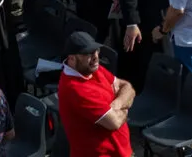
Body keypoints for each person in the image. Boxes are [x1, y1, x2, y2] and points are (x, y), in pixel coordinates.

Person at [58, 28, 136, 157]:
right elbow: (115, 122)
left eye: (96, 50)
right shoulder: (76, 89)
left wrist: (116, 105)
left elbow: (127, 87)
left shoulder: (91, 69)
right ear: (71, 59)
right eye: (88, 54)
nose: (95, 57)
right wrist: (125, 107)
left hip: (122, 151)